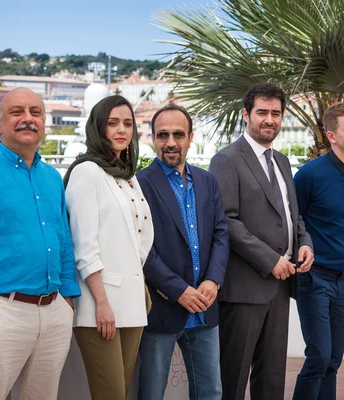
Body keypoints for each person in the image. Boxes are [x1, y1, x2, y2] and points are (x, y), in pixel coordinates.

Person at [0, 87, 81, 400]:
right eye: (17, 112)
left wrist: (67, 298)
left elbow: (63, 241)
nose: (28, 119)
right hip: (1, 311)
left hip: (53, 312)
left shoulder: (52, 177)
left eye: (35, 112)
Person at [209, 83, 314, 400]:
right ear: (246, 114)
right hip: (244, 289)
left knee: (271, 380)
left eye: (276, 113)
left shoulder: (282, 161)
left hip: (281, 288)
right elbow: (226, 220)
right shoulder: (226, 160)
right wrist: (271, 260)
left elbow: (292, 215)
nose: (270, 119)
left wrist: (304, 242)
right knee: (233, 379)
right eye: (262, 112)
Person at [63, 95, 154, 400]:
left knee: (122, 391)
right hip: (100, 302)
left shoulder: (127, 175)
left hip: (132, 299)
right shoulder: (87, 172)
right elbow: (83, 245)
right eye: (112, 123)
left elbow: (138, 238)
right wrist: (101, 302)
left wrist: (140, 288)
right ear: (98, 128)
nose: (121, 130)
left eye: (127, 124)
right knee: (110, 393)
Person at [136, 104, 229, 400]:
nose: (171, 142)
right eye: (163, 135)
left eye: (178, 134)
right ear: (152, 138)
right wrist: (179, 291)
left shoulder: (207, 181)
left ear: (191, 138)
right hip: (162, 310)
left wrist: (213, 281)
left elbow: (220, 234)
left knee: (211, 392)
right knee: (152, 394)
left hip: (205, 307)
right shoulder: (139, 184)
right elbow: (142, 249)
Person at [292, 103, 344, 400]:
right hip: (314, 279)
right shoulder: (308, 175)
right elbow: (293, 219)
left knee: (334, 362)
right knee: (319, 358)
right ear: (331, 135)